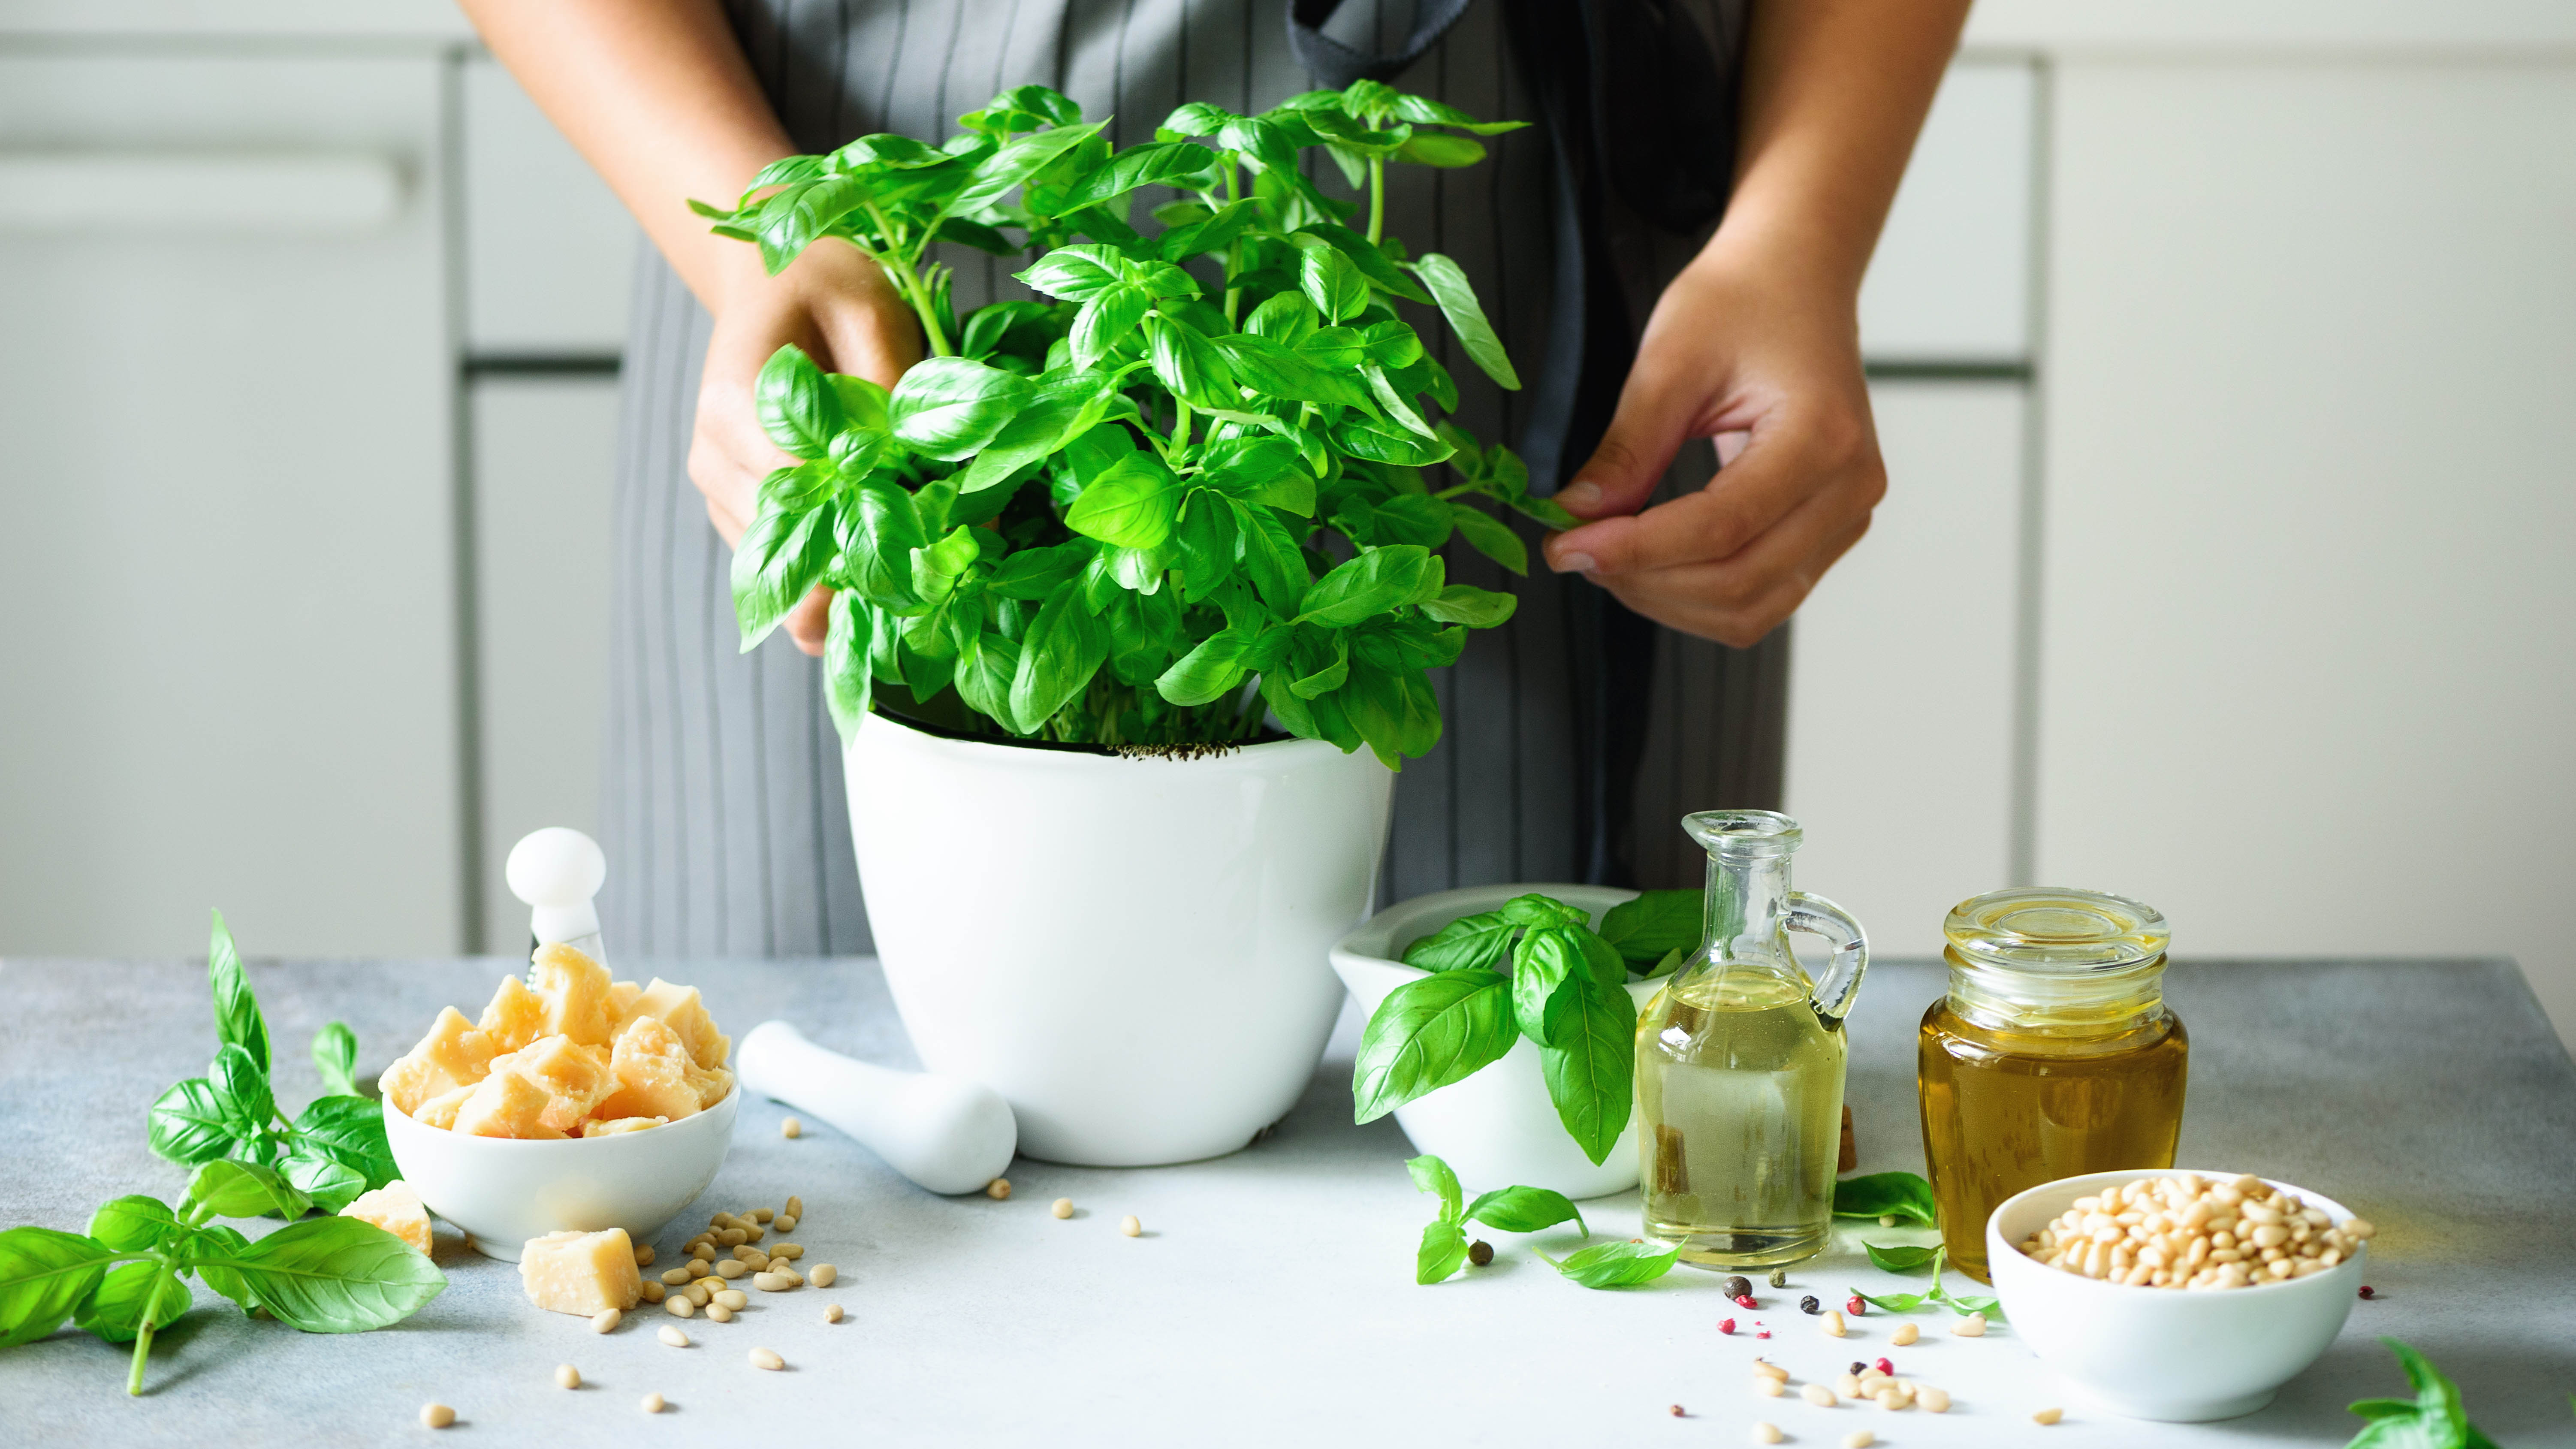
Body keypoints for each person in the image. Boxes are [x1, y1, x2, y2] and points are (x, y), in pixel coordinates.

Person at [460, 0, 1971, 956]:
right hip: (866, 249)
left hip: (1558, 254)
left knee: (1568, 1185)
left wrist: (1802, 235)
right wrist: (751, 226)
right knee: (827, 1204)